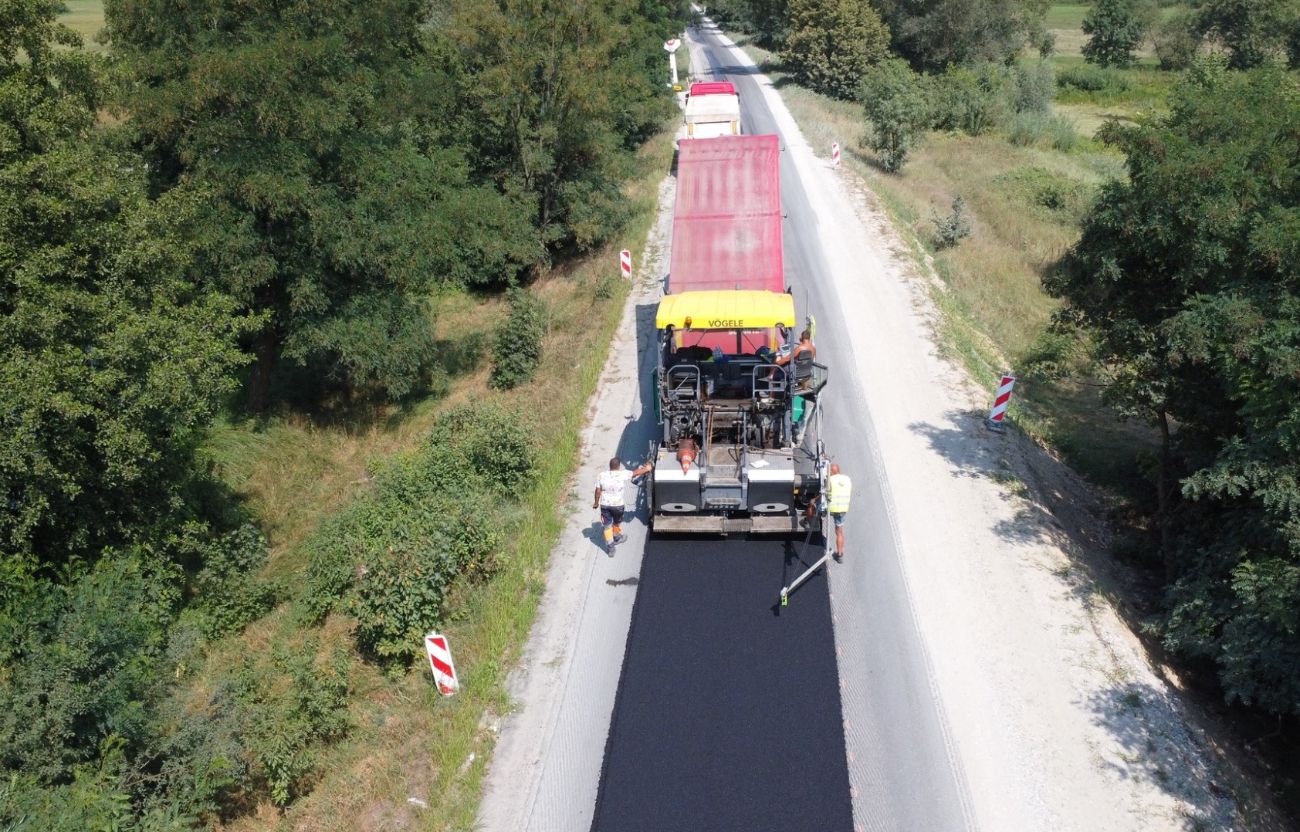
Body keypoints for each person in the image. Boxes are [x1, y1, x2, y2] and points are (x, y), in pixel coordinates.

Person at [593, 456, 653, 556]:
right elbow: (635, 473)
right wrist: (647, 469)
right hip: (618, 506)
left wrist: (596, 502)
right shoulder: (622, 474)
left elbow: (598, 490)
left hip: (605, 505)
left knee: (607, 527)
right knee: (616, 522)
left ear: (610, 466)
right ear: (619, 466)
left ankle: (611, 548)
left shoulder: (601, 475)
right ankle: (616, 536)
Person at [806, 462, 852, 562]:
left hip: (831, 507)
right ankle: (840, 556)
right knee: (839, 531)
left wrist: (814, 499)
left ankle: (810, 523)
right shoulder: (847, 479)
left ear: (831, 471)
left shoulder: (830, 480)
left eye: (829, 472)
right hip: (843, 508)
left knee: (812, 504)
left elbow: (824, 493)